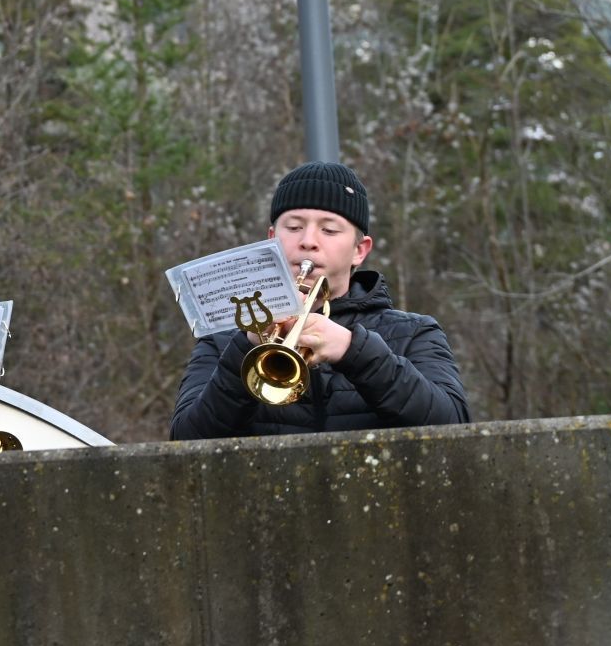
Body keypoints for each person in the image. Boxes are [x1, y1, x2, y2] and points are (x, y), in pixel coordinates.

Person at [170, 161, 470, 440]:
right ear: (272, 237)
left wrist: (355, 351)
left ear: (359, 250)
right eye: (294, 227)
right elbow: (183, 441)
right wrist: (245, 349)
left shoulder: (415, 332)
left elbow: (454, 428)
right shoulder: (222, 342)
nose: (308, 241)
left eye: (329, 229)